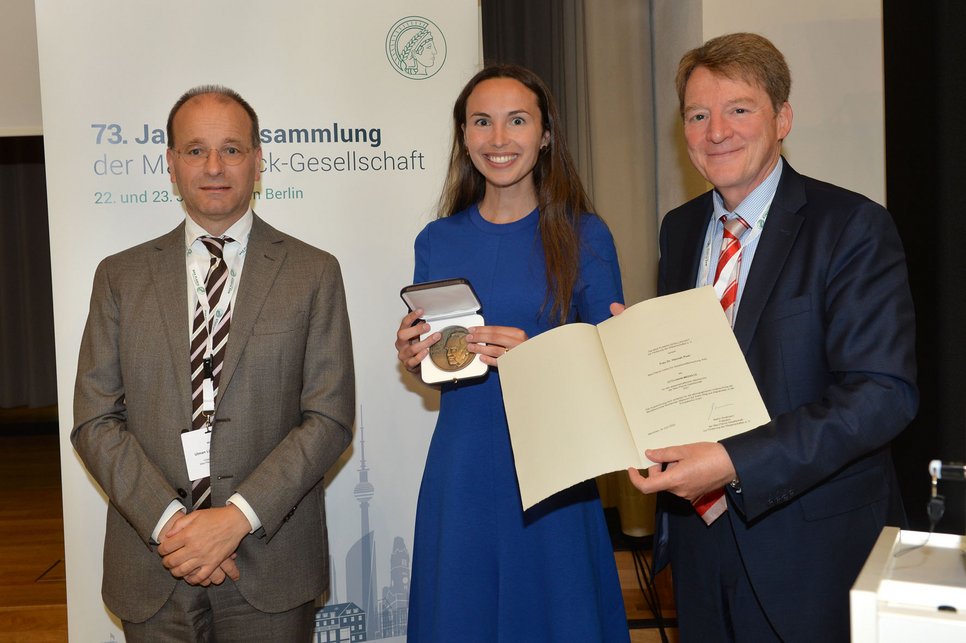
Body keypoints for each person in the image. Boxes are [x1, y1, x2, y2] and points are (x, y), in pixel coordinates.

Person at [618, 33, 917, 642]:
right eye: (698, 115)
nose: (716, 130)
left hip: (812, 555)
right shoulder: (679, 232)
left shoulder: (852, 227)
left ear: (782, 118)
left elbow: (883, 394)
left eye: (739, 109)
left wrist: (734, 463)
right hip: (701, 551)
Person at [71, 85, 355, 642]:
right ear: (171, 165)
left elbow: (328, 418)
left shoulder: (313, 272)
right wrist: (175, 529)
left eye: (232, 148)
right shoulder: (119, 277)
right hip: (154, 564)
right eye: (196, 150)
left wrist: (235, 519)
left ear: (258, 162)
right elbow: (95, 420)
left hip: (270, 565)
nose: (215, 166)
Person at [395, 65, 629, 642]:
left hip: (552, 473)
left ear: (545, 134)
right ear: (464, 135)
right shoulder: (437, 241)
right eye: (482, 122)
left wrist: (539, 358)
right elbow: (446, 374)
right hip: (464, 465)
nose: (498, 139)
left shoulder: (585, 235)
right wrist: (417, 357)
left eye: (516, 121)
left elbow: (617, 376)